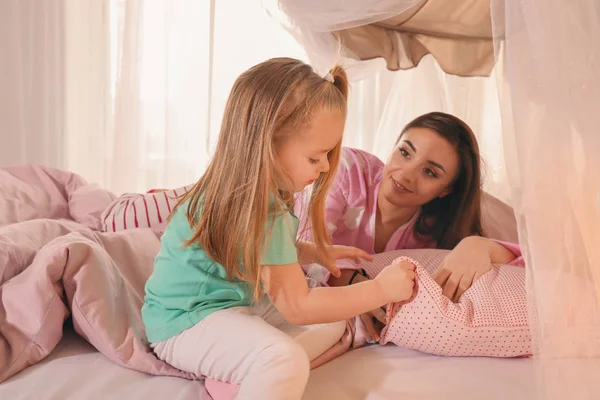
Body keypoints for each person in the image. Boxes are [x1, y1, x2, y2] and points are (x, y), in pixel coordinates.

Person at [141, 58, 417, 399]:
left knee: (332, 321)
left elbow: (253, 248)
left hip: (235, 306)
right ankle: (255, 370)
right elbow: (297, 306)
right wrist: (381, 291)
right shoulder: (259, 206)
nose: (326, 166)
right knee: (284, 358)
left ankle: (240, 373)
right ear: (267, 145)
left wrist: (309, 251)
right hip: (184, 323)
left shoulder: (258, 195)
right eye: (315, 158)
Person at [294, 112, 522, 337]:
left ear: (446, 190)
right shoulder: (347, 169)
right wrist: (359, 289)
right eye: (404, 152)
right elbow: (307, 244)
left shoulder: (435, 231)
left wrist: (480, 246)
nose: (406, 174)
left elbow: (528, 264)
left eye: (430, 172)